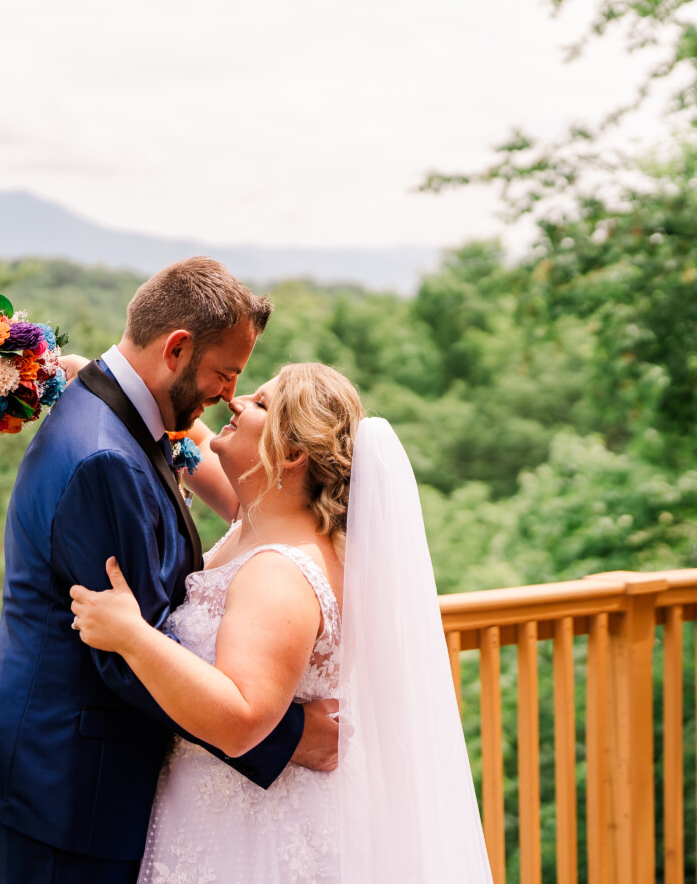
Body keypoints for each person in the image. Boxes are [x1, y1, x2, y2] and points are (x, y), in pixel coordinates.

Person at [0, 258, 339, 884]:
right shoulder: (105, 456)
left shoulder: (128, 420)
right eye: (224, 374)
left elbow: (259, 501)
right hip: (65, 791)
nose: (227, 395)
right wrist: (288, 737)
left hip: (82, 784)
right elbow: (127, 652)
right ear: (177, 348)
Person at [70, 364, 492, 883]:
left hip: (249, 835)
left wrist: (131, 635)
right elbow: (196, 442)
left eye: (262, 403)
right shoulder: (264, 521)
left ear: (292, 455)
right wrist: (108, 375)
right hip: (250, 807)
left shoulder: (279, 571)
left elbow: (242, 720)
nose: (238, 402)